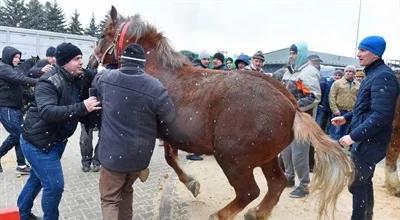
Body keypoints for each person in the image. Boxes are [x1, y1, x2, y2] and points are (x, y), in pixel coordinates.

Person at [17, 42, 101, 220]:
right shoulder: (48, 81)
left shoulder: (76, 76)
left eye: (81, 58)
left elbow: (97, 74)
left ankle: (23, 213)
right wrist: (82, 106)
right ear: (64, 62)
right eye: (76, 59)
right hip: (38, 143)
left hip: (55, 142)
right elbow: (48, 112)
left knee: (37, 179)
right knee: (54, 186)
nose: (81, 62)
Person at [92, 43, 175, 220]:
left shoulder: (107, 78)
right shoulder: (155, 86)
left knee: (110, 200)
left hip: (113, 156)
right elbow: (169, 118)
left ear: (122, 60)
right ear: (142, 63)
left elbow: (95, 87)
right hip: (139, 156)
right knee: (127, 191)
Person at [332, 36, 399, 220]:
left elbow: (381, 115)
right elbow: (366, 109)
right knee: (362, 182)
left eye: (363, 50)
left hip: (372, 142)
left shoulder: (383, 76)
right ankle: (366, 216)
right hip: (366, 139)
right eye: (359, 49)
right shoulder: (373, 74)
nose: (358, 54)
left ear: (375, 53)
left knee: (358, 184)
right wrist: (346, 118)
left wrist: (352, 136)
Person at [280, 42, 321, 198]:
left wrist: (294, 107)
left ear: (302, 53)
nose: (291, 56)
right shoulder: (290, 71)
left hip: (302, 118)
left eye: (294, 53)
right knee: (285, 151)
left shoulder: (308, 72)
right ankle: (289, 177)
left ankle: (303, 185)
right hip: (287, 118)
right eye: (290, 53)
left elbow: (313, 97)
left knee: (299, 154)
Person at [0, 46, 38, 174]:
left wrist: (34, 96)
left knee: (19, 135)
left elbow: (20, 90)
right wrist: (41, 82)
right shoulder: (3, 68)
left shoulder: (11, 69)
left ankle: (21, 166)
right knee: (18, 135)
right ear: (8, 56)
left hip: (16, 109)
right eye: (15, 57)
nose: (18, 60)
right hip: (6, 108)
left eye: (19, 57)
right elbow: (20, 80)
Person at [329, 65, 360, 140]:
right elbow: (331, 96)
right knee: (335, 132)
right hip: (339, 111)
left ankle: (340, 148)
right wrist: (335, 109)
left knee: (344, 132)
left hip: (350, 112)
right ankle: (332, 148)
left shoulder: (358, 84)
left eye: (350, 71)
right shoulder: (337, 83)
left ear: (354, 73)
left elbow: (359, 98)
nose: (348, 73)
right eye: (346, 71)